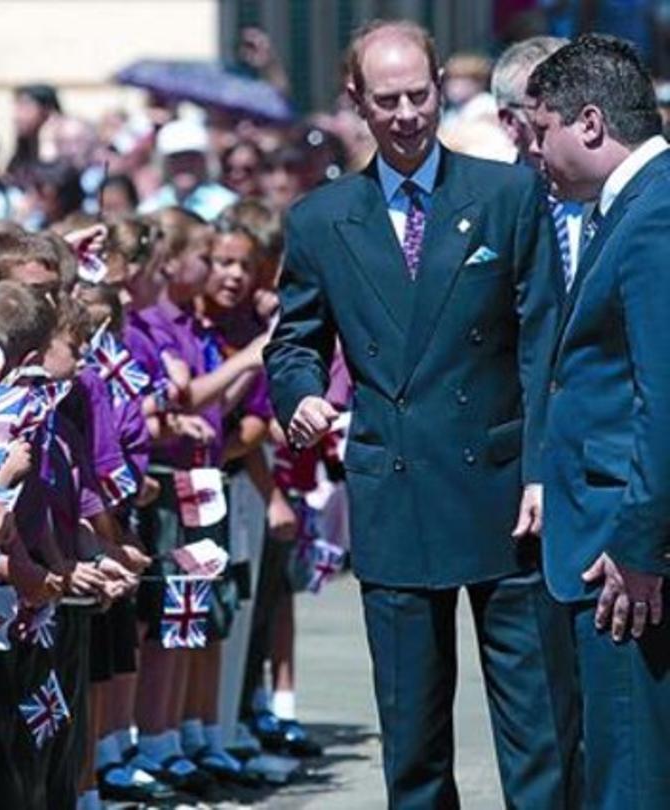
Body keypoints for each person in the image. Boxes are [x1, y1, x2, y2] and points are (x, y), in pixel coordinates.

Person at [264, 19, 580, 808]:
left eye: (419, 95)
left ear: (439, 87)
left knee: (536, 732)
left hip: (506, 493)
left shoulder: (508, 194)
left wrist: (542, 471)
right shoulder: (321, 218)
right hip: (394, 492)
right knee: (413, 744)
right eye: (388, 100)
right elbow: (293, 340)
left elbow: (546, 345)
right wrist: (302, 393)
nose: (407, 115)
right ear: (356, 104)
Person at [526, 33, 670, 809]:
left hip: (626, 563)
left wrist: (641, 542)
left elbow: (665, 394)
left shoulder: (655, 214)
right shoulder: (636, 207)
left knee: (633, 779)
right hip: (611, 542)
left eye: (539, 127)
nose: (533, 149)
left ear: (587, 123)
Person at [491, 36, 585, 290]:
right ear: (510, 122)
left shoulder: (616, 199)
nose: (574, 126)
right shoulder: (490, 212)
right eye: (550, 112)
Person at [139, 120, 238, 221]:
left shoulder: (226, 206)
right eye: (176, 159)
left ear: (204, 162)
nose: (184, 165)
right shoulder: (151, 208)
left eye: (191, 158)